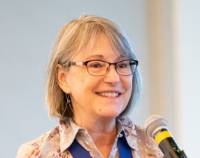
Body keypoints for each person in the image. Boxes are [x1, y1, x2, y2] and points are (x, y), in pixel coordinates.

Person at [16, 15, 163, 158]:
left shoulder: (158, 149)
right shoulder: (36, 154)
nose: (113, 78)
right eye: (96, 65)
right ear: (63, 78)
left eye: (123, 64)